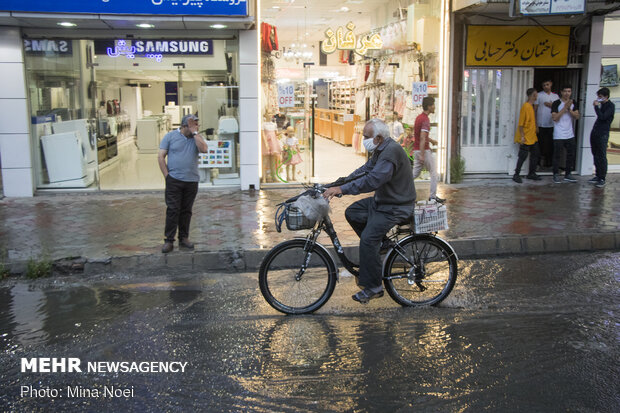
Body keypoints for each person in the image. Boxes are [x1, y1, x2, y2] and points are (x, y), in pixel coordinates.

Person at [323, 119, 416, 304]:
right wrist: (339, 183)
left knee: (368, 239)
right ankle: (383, 246)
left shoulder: (390, 153)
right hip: (383, 202)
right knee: (353, 212)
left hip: (396, 206)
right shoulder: (381, 149)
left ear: (379, 138)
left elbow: (372, 180)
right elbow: (365, 170)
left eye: (366, 137)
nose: (363, 139)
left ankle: (374, 287)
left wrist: (343, 190)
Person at [158, 114, 208, 253]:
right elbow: (161, 156)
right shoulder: (170, 136)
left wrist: (195, 132)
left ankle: (184, 238)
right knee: (173, 210)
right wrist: (167, 176)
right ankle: (169, 240)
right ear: (184, 126)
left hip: (191, 181)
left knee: (186, 211)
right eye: (193, 124)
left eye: (197, 125)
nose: (196, 127)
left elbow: (204, 149)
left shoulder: (196, 138)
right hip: (174, 180)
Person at [409, 97, 445, 202]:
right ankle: (433, 197)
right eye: (433, 105)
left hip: (417, 149)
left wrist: (431, 140)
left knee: (415, 173)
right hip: (423, 150)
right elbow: (422, 137)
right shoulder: (425, 119)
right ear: (429, 106)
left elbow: (421, 135)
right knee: (434, 173)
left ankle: (399, 187)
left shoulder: (419, 117)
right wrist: (422, 154)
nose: (434, 107)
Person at [551, 85, 580, 184]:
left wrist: (569, 109)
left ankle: (568, 174)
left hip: (570, 134)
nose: (567, 93)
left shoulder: (573, 103)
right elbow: (555, 118)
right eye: (565, 91)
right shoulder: (556, 103)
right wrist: (564, 108)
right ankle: (555, 174)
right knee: (557, 155)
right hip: (559, 134)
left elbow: (577, 116)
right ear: (561, 92)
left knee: (571, 154)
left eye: (569, 91)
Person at [512, 88, 541, 183]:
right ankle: (516, 174)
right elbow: (521, 124)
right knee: (522, 156)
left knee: (535, 154)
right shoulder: (526, 106)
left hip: (532, 136)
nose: (536, 96)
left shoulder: (532, 106)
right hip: (526, 136)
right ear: (531, 96)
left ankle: (531, 173)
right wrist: (522, 136)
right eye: (535, 94)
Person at [589, 87, 615, 188]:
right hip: (595, 132)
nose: (598, 99)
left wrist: (596, 107)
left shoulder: (610, 106)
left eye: (600, 97)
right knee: (595, 154)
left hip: (602, 134)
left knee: (601, 155)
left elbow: (603, 117)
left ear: (606, 97)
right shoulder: (602, 105)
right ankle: (597, 174)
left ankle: (602, 177)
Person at [534, 80, 559, 168]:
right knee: (540, 143)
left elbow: (559, 109)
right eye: (544, 85)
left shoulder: (555, 96)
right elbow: (535, 109)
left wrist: (551, 105)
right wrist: (535, 123)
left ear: (551, 84)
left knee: (550, 144)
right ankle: (538, 163)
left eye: (547, 85)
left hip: (552, 124)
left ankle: (549, 163)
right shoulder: (539, 95)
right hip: (541, 124)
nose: (546, 86)